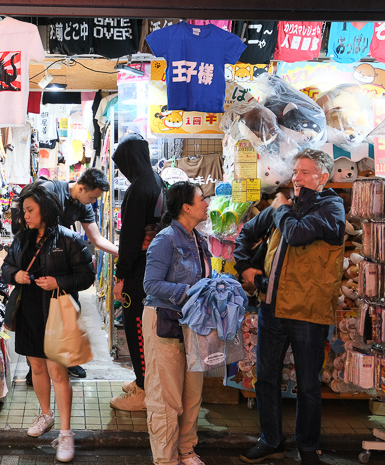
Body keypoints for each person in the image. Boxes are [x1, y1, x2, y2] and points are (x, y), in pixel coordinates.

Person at [233, 149, 346, 465]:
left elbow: (297, 234)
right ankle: (271, 440)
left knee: (309, 385)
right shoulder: (286, 206)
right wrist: (245, 267)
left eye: (305, 172)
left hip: (308, 313)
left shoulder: (332, 208)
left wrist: (280, 208)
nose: (297, 177)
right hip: (272, 307)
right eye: (296, 171)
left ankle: (308, 447)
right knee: (265, 378)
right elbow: (247, 233)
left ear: (323, 177)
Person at [1, 181, 95, 463]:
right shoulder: (21, 238)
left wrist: (58, 282)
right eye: (23, 211)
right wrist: (14, 275)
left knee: (58, 372)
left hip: (56, 313)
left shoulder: (69, 238)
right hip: (28, 311)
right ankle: (46, 415)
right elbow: (6, 266)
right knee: (37, 369)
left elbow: (87, 276)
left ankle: (66, 433)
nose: (25, 216)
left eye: (30, 210)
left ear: (45, 208)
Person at [142, 181, 211, 465]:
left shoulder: (199, 240)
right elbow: (151, 284)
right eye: (202, 198)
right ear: (186, 207)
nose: (206, 203)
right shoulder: (166, 239)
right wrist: (189, 293)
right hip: (165, 322)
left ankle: (186, 450)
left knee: (192, 394)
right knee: (165, 398)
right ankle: (165, 459)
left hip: (193, 325)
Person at [30, 167, 118, 380]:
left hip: (63, 266)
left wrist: (120, 252)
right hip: (39, 265)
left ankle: (69, 360)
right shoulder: (49, 190)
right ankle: (36, 369)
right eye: (92, 196)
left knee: (70, 311)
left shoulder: (83, 205)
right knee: (39, 317)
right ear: (80, 187)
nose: (93, 201)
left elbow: (96, 239)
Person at [109, 132, 165, 411]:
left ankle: (143, 391)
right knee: (147, 328)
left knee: (137, 327)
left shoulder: (137, 189)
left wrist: (121, 276)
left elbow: (129, 239)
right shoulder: (158, 180)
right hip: (154, 267)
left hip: (138, 271)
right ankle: (143, 381)